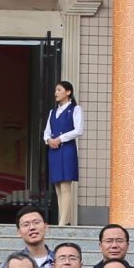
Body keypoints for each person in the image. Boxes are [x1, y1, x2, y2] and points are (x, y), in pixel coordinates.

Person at [42, 79, 82, 226]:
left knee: (65, 186)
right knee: (58, 187)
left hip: (67, 149)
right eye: (56, 90)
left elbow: (78, 130)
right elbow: (47, 132)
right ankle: (65, 219)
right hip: (54, 150)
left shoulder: (76, 109)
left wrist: (60, 138)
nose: (56, 93)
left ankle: (62, 221)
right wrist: (49, 140)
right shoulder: (53, 112)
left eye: (59, 90)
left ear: (68, 92)